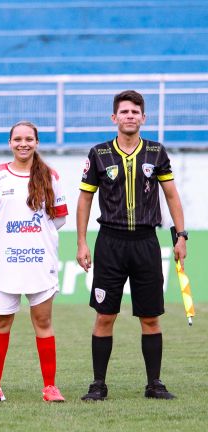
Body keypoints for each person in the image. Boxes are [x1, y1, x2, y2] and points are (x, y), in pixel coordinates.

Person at [76, 90, 187, 401]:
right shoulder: (98, 153)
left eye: (135, 112)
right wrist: (82, 242)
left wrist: (181, 235)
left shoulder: (156, 151)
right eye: (124, 112)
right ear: (114, 117)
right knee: (104, 315)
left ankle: (154, 383)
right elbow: (85, 199)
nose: (129, 116)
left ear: (143, 118)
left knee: (150, 316)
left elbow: (171, 195)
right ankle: (98, 384)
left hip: (145, 243)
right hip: (110, 242)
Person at [0, 121, 68, 403]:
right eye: (18, 139)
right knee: (1, 322)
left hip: (39, 260)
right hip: (5, 261)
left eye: (29, 139)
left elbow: (59, 218)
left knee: (43, 321)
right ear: (10, 142)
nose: (23, 144)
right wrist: (9, 235)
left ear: (37, 142)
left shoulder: (50, 176)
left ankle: (50, 387)